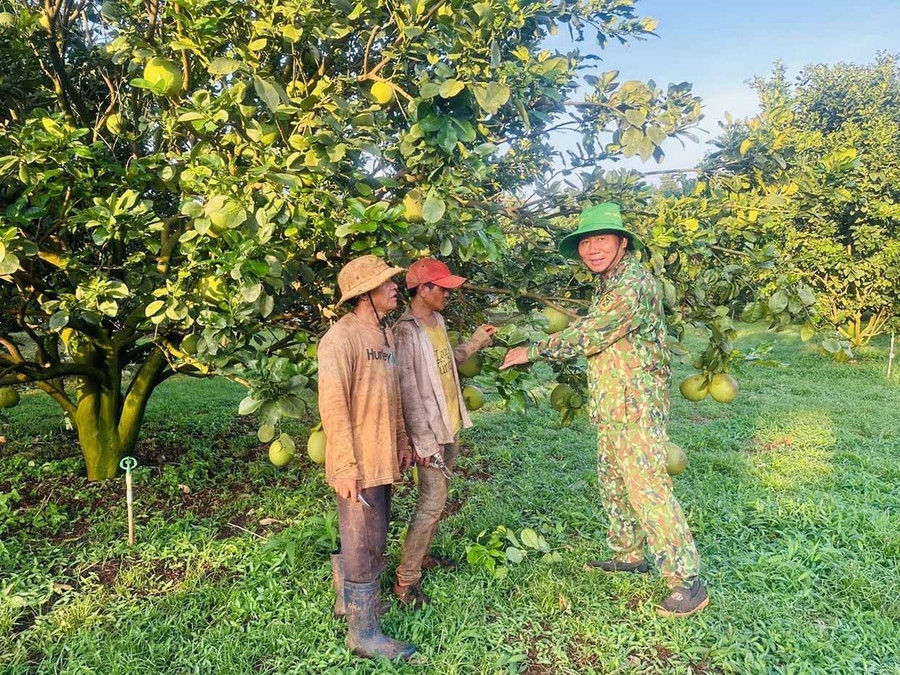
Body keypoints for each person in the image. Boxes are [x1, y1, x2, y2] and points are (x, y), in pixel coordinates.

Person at [500, 203, 709, 618]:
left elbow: (591, 335)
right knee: (615, 485)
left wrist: (534, 350)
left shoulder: (631, 285)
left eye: (601, 239)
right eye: (586, 242)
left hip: (636, 407)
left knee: (648, 490)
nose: (592, 249)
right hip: (615, 403)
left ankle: (687, 581)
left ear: (622, 242)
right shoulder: (610, 281)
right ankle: (629, 555)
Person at [316, 255, 416, 660]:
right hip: (356, 460)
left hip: (381, 455)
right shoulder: (341, 340)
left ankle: (351, 603)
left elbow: (392, 396)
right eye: (386, 283)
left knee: (373, 534)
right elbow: (333, 407)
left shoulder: (385, 335)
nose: (395, 287)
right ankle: (364, 634)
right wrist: (343, 465)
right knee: (363, 541)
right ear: (363, 295)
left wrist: (403, 440)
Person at [391, 258, 497, 607]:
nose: (449, 294)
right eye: (443, 288)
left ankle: (419, 561)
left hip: (448, 426)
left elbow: (447, 362)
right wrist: (419, 442)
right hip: (429, 435)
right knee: (430, 504)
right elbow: (406, 391)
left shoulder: (436, 321)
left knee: (436, 505)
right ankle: (406, 581)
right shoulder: (404, 332)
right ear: (423, 289)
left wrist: (477, 342)